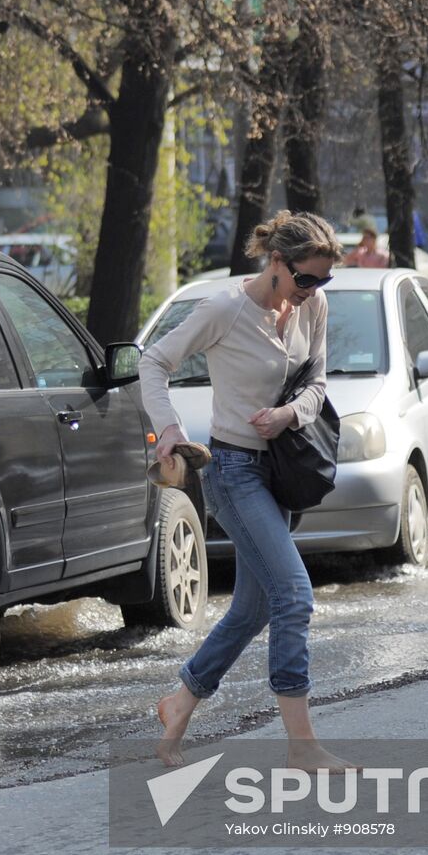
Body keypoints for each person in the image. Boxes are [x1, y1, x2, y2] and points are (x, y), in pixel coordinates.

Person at [140, 209, 354, 772]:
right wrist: (170, 431)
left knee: (253, 609)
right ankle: (302, 747)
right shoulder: (227, 309)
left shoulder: (314, 307)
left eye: (322, 280)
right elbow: (154, 362)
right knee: (294, 595)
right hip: (232, 471)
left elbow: (318, 382)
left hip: (279, 468)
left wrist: (289, 414)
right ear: (277, 263)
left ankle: (179, 702)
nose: (313, 290)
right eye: (305, 278)